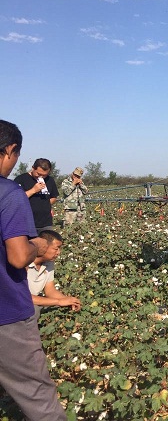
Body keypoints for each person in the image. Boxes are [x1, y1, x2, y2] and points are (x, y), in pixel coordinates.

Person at [0, 120, 67, 420]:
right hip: (6, 314)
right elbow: (16, 257)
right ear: (10, 150)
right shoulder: (9, 193)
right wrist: (37, 247)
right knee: (38, 395)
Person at [27, 230, 81, 319]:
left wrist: (69, 301)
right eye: (56, 248)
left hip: (35, 300)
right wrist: (58, 302)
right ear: (43, 246)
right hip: (18, 305)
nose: (58, 252)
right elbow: (23, 296)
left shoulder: (48, 263)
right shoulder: (24, 263)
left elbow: (50, 291)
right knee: (33, 311)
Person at [14, 158, 59, 233]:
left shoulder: (50, 180)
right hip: (26, 223)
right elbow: (16, 199)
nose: (41, 177)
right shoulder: (21, 179)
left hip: (45, 223)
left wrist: (46, 205)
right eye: (38, 174)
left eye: (44, 175)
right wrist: (33, 190)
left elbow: (53, 197)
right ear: (33, 168)